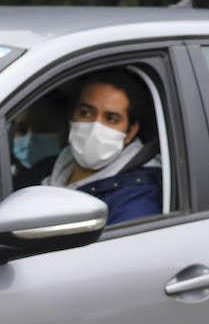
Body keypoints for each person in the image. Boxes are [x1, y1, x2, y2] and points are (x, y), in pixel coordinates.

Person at [43, 70, 163, 225]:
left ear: (130, 132)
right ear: (72, 116)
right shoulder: (56, 164)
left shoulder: (137, 198)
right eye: (85, 113)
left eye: (111, 119)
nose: (95, 127)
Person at [10, 98, 64, 189]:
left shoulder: (50, 171)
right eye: (14, 129)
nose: (16, 136)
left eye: (22, 130)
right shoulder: (1, 162)